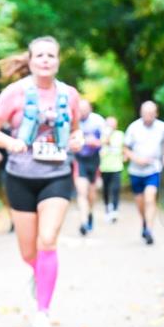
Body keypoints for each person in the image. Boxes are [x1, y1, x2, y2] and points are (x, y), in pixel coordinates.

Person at [0, 37, 84, 327]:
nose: (45, 60)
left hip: (56, 175)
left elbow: (75, 132)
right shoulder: (13, 93)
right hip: (20, 177)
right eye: (39, 55)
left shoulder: (69, 95)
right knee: (29, 252)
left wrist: (76, 140)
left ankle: (43, 312)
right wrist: (10, 141)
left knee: (48, 240)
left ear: (58, 61)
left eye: (51, 55)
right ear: (29, 60)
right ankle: (38, 274)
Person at [124, 101, 164, 245]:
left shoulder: (163, 127)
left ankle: (149, 230)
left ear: (156, 113)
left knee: (150, 198)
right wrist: (136, 158)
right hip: (136, 170)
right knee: (140, 202)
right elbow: (125, 148)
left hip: (153, 169)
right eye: (145, 113)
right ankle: (144, 221)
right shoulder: (133, 127)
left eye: (151, 113)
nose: (148, 116)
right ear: (141, 113)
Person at [74, 100, 105, 235]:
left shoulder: (98, 121)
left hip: (94, 159)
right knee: (82, 192)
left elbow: (107, 139)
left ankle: (90, 213)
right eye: (80, 109)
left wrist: (97, 143)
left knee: (91, 193)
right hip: (79, 159)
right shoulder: (73, 121)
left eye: (85, 109)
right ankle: (84, 222)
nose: (82, 112)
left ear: (90, 109)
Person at [99, 115, 124, 222]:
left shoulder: (120, 135)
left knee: (115, 189)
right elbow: (102, 144)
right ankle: (107, 208)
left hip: (117, 166)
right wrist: (107, 135)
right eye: (109, 123)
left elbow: (124, 147)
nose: (111, 125)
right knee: (105, 190)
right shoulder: (102, 136)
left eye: (112, 123)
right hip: (104, 167)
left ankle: (114, 210)